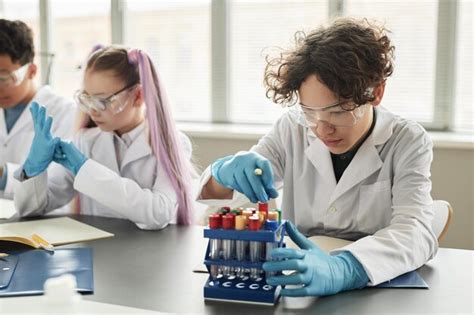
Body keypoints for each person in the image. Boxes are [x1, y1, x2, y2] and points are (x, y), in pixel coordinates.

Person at [197, 18, 438, 296]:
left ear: (376, 92)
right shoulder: (292, 128)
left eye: (337, 112)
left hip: (372, 282)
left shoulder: (407, 140)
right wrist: (222, 172)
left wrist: (346, 268)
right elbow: (230, 194)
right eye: (310, 112)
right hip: (300, 278)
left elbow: (416, 232)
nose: (322, 128)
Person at [14, 46, 197, 229]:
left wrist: (85, 168)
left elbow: (159, 213)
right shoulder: (85, 142)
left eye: (102, 101)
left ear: (138, 95)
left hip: (153, 253)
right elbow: (32, 209)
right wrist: (33, 170)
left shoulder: (173, 144)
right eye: (88, 99)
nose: (93, 110)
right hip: (98, 252)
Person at [0, 19, 75, 199]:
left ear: (32, 71)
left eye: (4, 78)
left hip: (44, 223)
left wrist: (3, 176)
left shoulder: (64, 113)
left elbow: (58, 186)